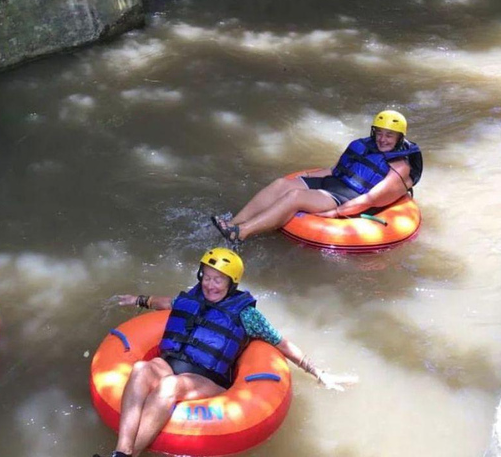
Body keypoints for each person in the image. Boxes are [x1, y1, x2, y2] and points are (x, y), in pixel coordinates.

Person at [95, 247, 357, 457]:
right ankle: (121, 452)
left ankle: (129, 455)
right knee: (141, 369)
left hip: (208, 380)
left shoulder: (246, 314)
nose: (211, 285)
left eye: (218, 280)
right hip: (171, 363)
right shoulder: (192, 297)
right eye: (207, 277)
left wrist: (318, 372)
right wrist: (140, 300)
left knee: (169, 387)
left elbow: (281, 343)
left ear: (231, 283)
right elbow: (167, 303)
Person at [211, 110, 423, 244]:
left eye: (389, 135)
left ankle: (241, 233)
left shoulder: (399, 168)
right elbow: (334, 170)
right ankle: (234, 223)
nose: (382, 139)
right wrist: (306, 176)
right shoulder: (365, 146)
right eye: (379, 133)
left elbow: (370, 200)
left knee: (295, 196)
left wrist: (336, 213)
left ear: (399, 137)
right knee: (281, 184)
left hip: (347, 197)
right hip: (333, 182)